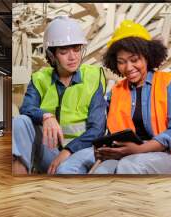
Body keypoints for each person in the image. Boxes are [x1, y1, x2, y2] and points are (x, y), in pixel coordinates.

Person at [92, 20, 171, 174]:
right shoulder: (116, 92)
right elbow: (112, 132)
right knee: (101, 172)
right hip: (129, 152)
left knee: (129, 166)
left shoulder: (169, 83)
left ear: (147, 56)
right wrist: (105, 149)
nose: (128, 68)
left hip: (170, 153)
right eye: (121, 62)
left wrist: (139, 149)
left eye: (134, 60)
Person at [12, 16, 106, 175]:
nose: (73, 57)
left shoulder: (93, 77)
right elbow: (26, 108)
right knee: (20, 122)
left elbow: (97, 129)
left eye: (76, 49)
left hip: (82, 150)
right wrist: (46, 116)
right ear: (52, 54)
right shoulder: (40, 78)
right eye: (64, 51)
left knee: (65, 171)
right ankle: (18, 184)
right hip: (50, 150)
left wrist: (68, 150)